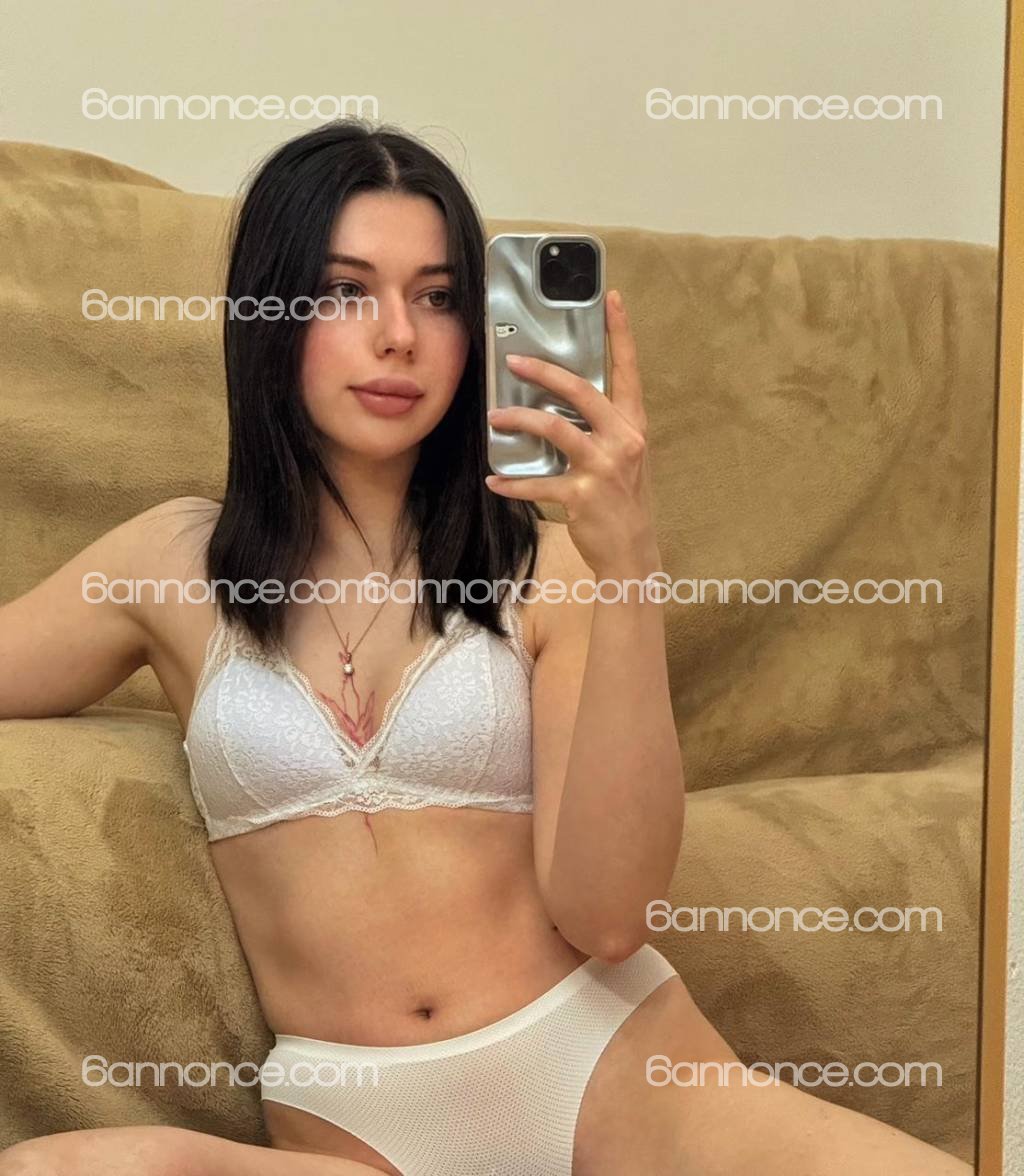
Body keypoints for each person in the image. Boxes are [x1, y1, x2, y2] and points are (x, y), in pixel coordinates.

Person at [0, 120, 970, 1175]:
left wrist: (629, 568)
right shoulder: (167, 565)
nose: (398, 337)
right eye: (344, 291)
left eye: (438, 298)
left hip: (609, 1071)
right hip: (361, 1134)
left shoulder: (547, 571)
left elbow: (609, 918)